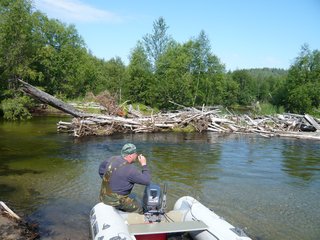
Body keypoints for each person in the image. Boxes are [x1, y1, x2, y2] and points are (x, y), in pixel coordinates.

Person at [99, 143, 151, 213]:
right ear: (130, 156)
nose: (137, 155)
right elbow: (147, 181)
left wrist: (111, 181)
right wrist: (144, 164)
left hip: (103, 196)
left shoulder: (112, 159)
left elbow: (101, 170)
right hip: (116, 201)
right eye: (135, 153)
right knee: (141, 208)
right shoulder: (131, 170)